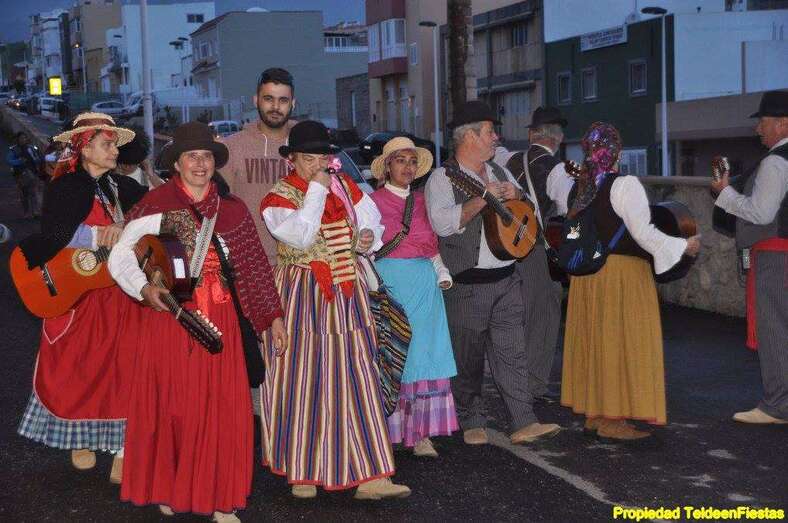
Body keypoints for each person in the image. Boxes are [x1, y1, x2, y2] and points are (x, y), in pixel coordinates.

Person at [108, 122, 286, 521]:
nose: (201, 164)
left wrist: (272, 317)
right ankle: (171, 486)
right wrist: (143, 289)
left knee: (224, 409)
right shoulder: (156, 204)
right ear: (176, 164)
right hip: (171, 318)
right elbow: (120, 256)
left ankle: (222, 498)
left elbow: (255, 269)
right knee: (172, 405)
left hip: (220, 320)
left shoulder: (234, 210)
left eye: (206, 156)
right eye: (192, 157)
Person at [260, 120, 410, 500]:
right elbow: (300, 235)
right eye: (309, 158)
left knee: (358, 374)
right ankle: (303, 469)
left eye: (323, 156)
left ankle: (369, 473)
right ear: (292, 159)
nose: (318, 164)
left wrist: (367, 237)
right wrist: (316, 190)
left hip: (348, 291)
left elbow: (374, 222)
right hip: (302, 292)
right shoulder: (277, 198)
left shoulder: (346, 188)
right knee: (302, 378)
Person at [16, 112, 147, 483]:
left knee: (127, 367)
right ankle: (81, 436)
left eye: (114, 144)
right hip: (79, 293)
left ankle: (124, 448)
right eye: (106, 143)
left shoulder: (119, 186)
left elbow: (153, 209)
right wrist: (96, 235)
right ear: (84, 147)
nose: (113, 150)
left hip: (117, 292)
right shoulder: (66, 187)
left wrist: (130, 225)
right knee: (80, 367)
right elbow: (54, 234)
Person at [425, 100, 561, 446]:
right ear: (469, 136)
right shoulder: (443, 177)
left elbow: (529, 208)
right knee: (468, 357)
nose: (495, 138)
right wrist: (483, 198)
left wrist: (518, 195)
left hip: (505, 277)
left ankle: (523, 420)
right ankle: (470, 418)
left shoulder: (501, 171)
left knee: (512, 353)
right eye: (489, 132)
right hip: (467, 284)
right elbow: (443, 223)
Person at [560, 122, 700, 442]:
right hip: (620, 275)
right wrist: (682, 246)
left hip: (588, 277)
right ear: (617, 153)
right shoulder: (625, 185)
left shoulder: (580, 187)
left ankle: (595, 413)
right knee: (621, 343)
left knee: (596, 342)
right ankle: (613, 418)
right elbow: (643, 234)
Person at [369, 137, 459, 457]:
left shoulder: (423, 202)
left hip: (425, 287)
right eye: (400, 161)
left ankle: (421, 435)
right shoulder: (372, 202)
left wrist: (442, 273)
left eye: (411, 161)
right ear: (388, 166)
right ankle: (387, 432)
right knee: (393, 357)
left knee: (423, 358)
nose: (406, 167)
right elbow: (363, 249)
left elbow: (432, 248)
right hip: (389, 285)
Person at [711, 90, 788, 425]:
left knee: (774, 329)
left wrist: (725, 193)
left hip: (776, 255)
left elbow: (760, 212)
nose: (758, 129)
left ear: (783, 123)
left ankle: (777, 405)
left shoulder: (775, 161)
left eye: (763, 121)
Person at [493, 106, 575, 404]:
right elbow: (569, 210)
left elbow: (497, 152)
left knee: (514, 318)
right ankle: (534, 384)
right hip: (534, 250)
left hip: (504, 248)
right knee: (543, 315)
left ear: (531, 134)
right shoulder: (557, 169)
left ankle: (511, 379)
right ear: (559, 138)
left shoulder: (510, 159)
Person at [219, 67, 298, 265]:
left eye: (283, 100)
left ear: (293, 104)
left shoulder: (307, 147)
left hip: (301, 263)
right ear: (256, 100)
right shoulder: (232, 147)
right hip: (248, 263)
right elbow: (219, 209)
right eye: (268, 98)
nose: (275, 107)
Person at [6, 131, 44, 218]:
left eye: (24, 138)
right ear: (17, 139)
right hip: (20, 174)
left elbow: (37, 158)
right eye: (21, 138)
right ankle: (26, 212)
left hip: (32, 173)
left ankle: (35, 211)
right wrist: (19, 161)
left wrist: (38, 161)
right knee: (24, 194)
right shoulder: (14, 149)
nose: (23, 140)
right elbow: (8, 160)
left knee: (34, 192)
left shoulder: (31, 148)